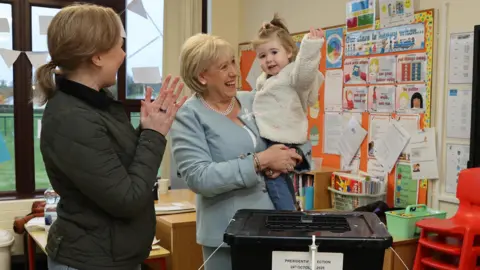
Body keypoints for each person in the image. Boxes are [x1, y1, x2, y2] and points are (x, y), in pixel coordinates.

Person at [35, 4, 186, 270]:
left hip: (110, 256)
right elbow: (126, 199)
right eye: (119, 45)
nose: (123, 54)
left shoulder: (95, 105)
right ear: (97, 57)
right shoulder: (71, 118)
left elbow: (117, 166)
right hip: (91, 260)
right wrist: (153, 135)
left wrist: (147, 128)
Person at [171, 33, 313, 270]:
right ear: (202, 76)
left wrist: (291, 156)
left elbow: (296, 134)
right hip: (227, 237)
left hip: (276, 227)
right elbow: (199, 177)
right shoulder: (189, 115)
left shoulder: (254, 99)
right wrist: (260, 161)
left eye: (233, 62)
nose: (234, 72)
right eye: (223, 66)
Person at [251, 14, 324, 210]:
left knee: (274, 181)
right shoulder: (264, 80)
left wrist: (310, 47)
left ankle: (288, 217)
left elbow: (305, 72)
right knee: (282, 182)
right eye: (262, 55)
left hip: (282, 138)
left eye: (274, 52)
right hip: (272, 136)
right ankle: (291, 210)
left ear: (289, 52)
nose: (269, 60)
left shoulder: (293, 75)